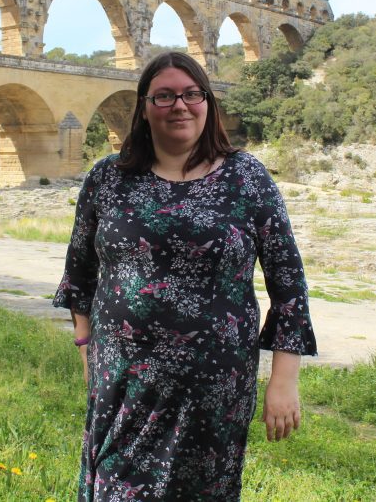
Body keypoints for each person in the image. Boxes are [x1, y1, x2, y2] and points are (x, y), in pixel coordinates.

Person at [53, 51, 317, 501]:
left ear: (208, 103)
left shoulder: (245, 176)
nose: (180, 105)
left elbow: (289, 285)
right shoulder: (108, 178)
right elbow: (80, 275)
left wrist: (283, 380)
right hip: (123, 383)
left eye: (192, 94)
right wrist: (86, 350)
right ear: (143, 107)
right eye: (165, 96)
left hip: (214, 390)